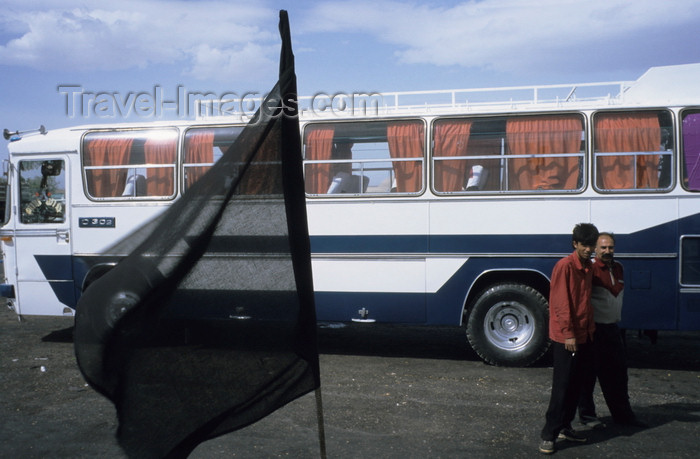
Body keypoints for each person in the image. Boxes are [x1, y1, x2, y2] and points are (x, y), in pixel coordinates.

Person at [539, 223, 598, 455]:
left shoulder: (588, 267)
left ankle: (565, 426)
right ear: (575, 244)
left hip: (585, 334)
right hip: (568, 336)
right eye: (584, 245)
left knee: (576, 384)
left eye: (591, 245)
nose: (588, 249)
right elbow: (561, 303)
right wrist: (569, 334)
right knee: (562, 386)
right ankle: (548, 434)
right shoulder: (565, 266)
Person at [577, 232, 646, 428]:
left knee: (618, 376)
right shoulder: (589, 269)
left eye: (611, 247)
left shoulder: (618, 268)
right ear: (595, 249)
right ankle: (588, 417)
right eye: (603, 247)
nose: (608, 251)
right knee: (588, 376)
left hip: (613, 329)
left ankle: (624, 417)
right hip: (594, 330)